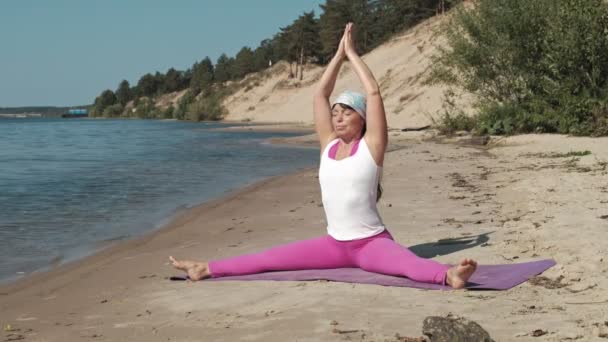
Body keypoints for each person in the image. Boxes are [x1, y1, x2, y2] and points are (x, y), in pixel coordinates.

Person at [170, 23, 477, 289]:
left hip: (371, 244)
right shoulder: (328, 146)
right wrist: (337, 56)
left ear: (363, 119)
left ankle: (449, 276)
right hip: (332, 245)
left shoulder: (371, 147)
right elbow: (319, 95)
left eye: (347, 113)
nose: (338, 118)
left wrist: (353, 55)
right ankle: (205, 268)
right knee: (268, 258)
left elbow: (373, 94)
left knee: (409, 265)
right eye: (335, 113)